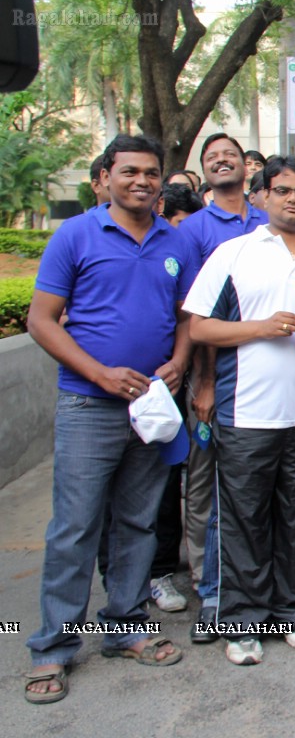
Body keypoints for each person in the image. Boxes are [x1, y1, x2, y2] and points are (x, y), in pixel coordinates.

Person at [25, 134, 191, 704]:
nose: (142, 181)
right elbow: (41, 321)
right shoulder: (75, 235)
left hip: (150, 406)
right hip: (89, 403)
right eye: (130, 172)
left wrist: (179, 361)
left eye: (151, 173)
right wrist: (99, 374)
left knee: (138, 522)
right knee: (75, 527)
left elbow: (186, 315)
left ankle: (126, 627)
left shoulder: (176, 239)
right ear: (105, 178)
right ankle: (54, 646)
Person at [185, 156, 295, 665]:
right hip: (246, 416)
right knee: (244, 521)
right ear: (261, 195)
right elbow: (198, 327)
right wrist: (259, 327)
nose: (293, 199)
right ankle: (242, 622)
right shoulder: (233, 254)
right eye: (282, 190)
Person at [174, 132, 267, 639]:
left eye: (230, 154)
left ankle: (256, 590)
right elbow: (196, 315)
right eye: (212, 158)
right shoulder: (193, 231)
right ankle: (211, 593)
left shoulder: (267, 222)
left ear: (246, 168)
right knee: (213, 491)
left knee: (257, 495)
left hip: (266, 388)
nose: (222, 161)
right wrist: (205, 385)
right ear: (204, 172)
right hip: (217, 384)